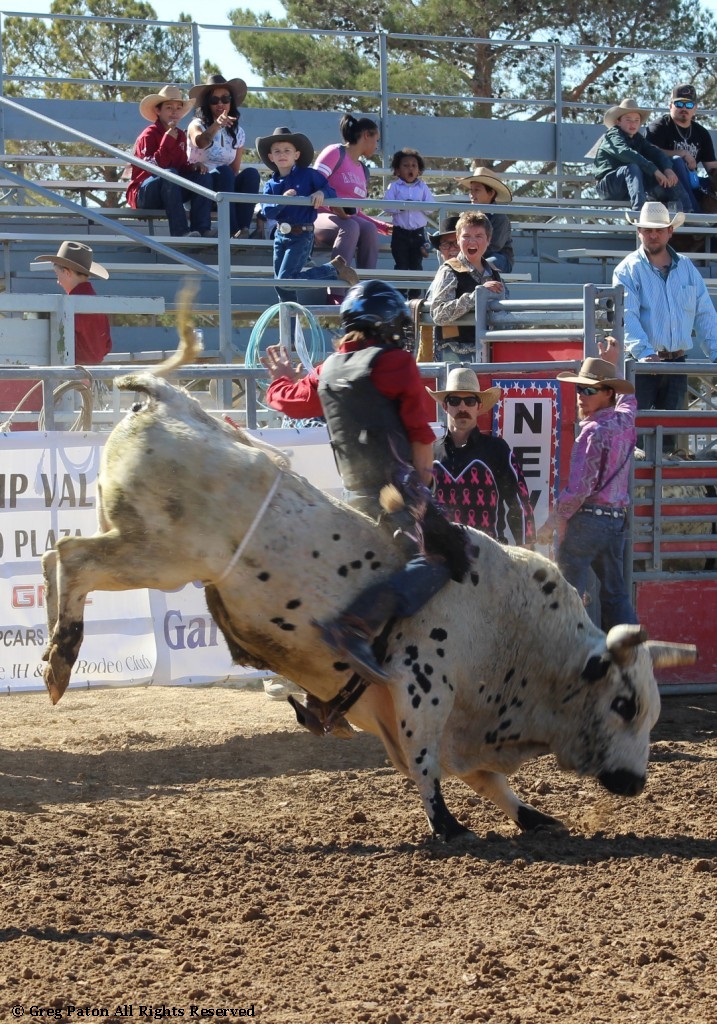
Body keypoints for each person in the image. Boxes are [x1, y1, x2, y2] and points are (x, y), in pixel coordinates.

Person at [262, 281, 467, 688]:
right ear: (385, 324)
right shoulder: (396, 363)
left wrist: (283, 378)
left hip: (354, 498)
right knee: (444, 557)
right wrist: (423, 490)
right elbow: (420, 437)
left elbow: (289, 398)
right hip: (396, 495)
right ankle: (354, 627)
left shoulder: (327, 370)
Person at [536, 342, 639, 632]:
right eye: (580, 389)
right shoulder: (625, 421)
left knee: (568, 593)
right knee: (615, 593)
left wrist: (552, 521)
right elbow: (629, 401)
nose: (581, 396)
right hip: (616, 520)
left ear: (607, 394)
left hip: (588, 521)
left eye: (589, 390)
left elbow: (580, 488)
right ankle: (630, 656)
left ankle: (571, 656)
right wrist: (612, 362)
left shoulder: (591, 433)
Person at [613, 202, 717, 451]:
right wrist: (645, 353)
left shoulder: (687, 269)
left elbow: (705, 314)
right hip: (641, 365)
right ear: (639, 231)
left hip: (675, 365)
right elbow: (626, 316)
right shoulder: (627, 270)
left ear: (670, 231)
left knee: (669, 439)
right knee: (634, 441)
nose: (653, 234)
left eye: (658, 229)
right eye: (647, 229)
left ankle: (660, 488)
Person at [428, 367, 535, 546]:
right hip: (442, 556)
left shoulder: (497, 450)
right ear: (445, 406)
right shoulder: (431, 453)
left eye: (470, 400)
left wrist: (526, 551)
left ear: (479, 406)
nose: (462, 407)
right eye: (454, 400)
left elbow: (520, 502)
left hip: (488, 556)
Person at [255, 126, 359, 302]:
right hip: (281, 236)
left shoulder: (309, 175)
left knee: (285, 282)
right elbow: (267, 211)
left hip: (302, 234)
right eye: (277, 151)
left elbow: (330, 190)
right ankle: (290, 327)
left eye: (287, 150)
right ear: (271, 157)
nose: (282, 154)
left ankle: (334, 270)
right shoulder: (270, 184)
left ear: (296, 155)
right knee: (281, 286)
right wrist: (282, 200)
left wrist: (321, 193)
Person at [313, 114, 390, 298]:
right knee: (351, 226)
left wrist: (381, 226)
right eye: (376, 140)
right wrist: (335, 207)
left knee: (369, 229)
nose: (377, 146)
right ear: (366, 135)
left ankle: (366, 292)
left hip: (347, 220)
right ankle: (336, 294)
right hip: (318, 216)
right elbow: (314, 182)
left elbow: (356, 211)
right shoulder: (335, 152)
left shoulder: (363, 169)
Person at [126, 83, 212, 237]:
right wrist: (166, 142)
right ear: (158, 111)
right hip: (144, 194)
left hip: (170, 190)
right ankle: (180, 233)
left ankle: (201, 229)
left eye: (178, 108)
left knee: (202, 175)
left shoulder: (180, 134)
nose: (174, 112)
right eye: (169, 107)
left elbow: (181, 165)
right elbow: (150, 168)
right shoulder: (149, 134)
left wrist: (193, 167)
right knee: (170, 174)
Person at [186, 74, 261, 238]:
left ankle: (243, 229)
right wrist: (216, 125)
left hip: (225, 184)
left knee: (251, 174)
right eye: (214, 100)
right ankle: (232, 230)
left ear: (231, 101)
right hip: (200, 182)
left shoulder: (238, 132)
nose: (220, 104)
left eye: (225, 99)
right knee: (224, 172)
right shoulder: (196, 124)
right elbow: (201, 142)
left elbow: (235, 169)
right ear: (207, 103)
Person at [429, 209, 505, 363]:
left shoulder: (494, 273)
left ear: (488, 239)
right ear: (458, 239)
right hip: (456, 356)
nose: (472, 242)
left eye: (478, 236)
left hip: (489, 352)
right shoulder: (449, 270)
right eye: (466, 236)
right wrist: (476, 296)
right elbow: (438, 314)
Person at [594, 97, 689, 212]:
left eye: (636, 120)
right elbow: (625, 152)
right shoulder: (613, 135)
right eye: (628, 119)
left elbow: (655, 152)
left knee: (670, 177)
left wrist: (667, 169)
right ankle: (639, 213)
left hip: (630, 189)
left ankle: (688, 215)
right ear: (618, 122)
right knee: (632, 168)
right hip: (608, 188)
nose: (633, 124)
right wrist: (654, 170)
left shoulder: (638, 138)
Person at [31, 241, 112, 363]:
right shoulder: (97, 304)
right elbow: (106, 347)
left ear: (67, 272)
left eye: (57, 275)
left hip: (72, 374)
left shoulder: (71, 305)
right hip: (92, 374)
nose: (58, 281)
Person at [645, 84, 717, 215]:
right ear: (670, 105)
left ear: (695, 108)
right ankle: (693, 215)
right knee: (677, 161)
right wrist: (681, 153)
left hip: (692, 182)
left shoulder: (701, 133)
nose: (684, 108)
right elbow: (649, 152)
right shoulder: (659, 126)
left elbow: (712, 168)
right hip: (662, 183)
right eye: (679, 104)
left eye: (689, 105)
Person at [383, 147, 434, 297]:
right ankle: (400, 295)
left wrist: (419, 205)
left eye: (414, 165)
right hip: (400, 233)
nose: (410, 168)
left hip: (418, 234)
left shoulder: (423, 187)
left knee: (416, 265)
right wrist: (402, 207)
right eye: (405, 165)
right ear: (397, 170)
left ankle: (415, 296)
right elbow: (387, 206)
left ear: (419, 170)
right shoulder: (394, 187)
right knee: (401, 265)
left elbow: (431, 208)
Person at [456, 167, 514, 272]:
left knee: (490, 262)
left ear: (491, 193)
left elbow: (494, 247)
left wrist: (471, 254)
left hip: (498, 257)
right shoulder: (465, 216)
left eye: (477, 190)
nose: (471, 194)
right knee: (443, 241)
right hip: (471, 254)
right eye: (471, 190)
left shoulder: (500, 217)